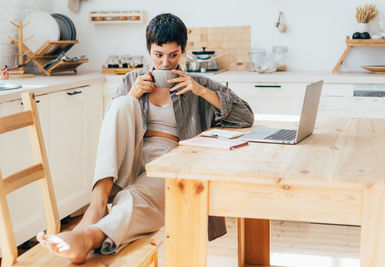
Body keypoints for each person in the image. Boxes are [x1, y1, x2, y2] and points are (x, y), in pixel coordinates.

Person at [37, 13, 254, 264]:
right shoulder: (132, 79)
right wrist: (131, 95)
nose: (165, 63)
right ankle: (97, 203)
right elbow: (112, 129)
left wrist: (200, 90)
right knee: (121, 105)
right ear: (149, 50)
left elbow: (245, 115)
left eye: (173, 55)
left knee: (130, 198)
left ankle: (90, 236)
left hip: (171, 159)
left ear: (183, 51)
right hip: (129, 159)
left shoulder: (196, 83)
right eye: (158, 55)